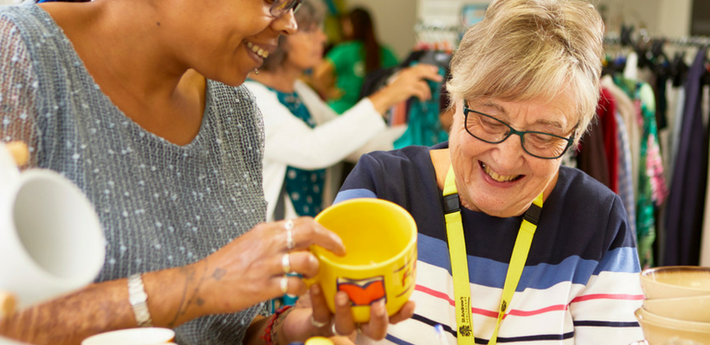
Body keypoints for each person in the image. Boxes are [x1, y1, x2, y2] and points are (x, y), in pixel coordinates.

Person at [0, 0, 412, 344]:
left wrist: (287, 330)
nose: (289, 23)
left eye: (294, 4)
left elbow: (221, 327)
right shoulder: (5, 57)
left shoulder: (235, 111)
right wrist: (194, 285)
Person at [332, 0, 644, 343]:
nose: (507, 160)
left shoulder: (597, 222)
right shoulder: (382, 189)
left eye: (543, 136)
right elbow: (333, 329)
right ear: (455, 101)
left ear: (574, 136)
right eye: (491, 120)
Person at [246, 0, 442, 221]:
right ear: (279, 35)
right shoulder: (252, 97)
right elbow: (313, 149)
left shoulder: (300, 93)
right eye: (309, 30)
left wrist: (435, 132)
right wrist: (387, 96)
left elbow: (352, 142)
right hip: (274, 243)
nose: (323, 38)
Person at [315, 7, 397, 114]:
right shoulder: (385, 52)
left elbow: (319, 73)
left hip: (341, 110)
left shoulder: (345, 50)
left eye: (346, 24)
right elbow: (400, 74)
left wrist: (329, 92)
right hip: (373, 112)